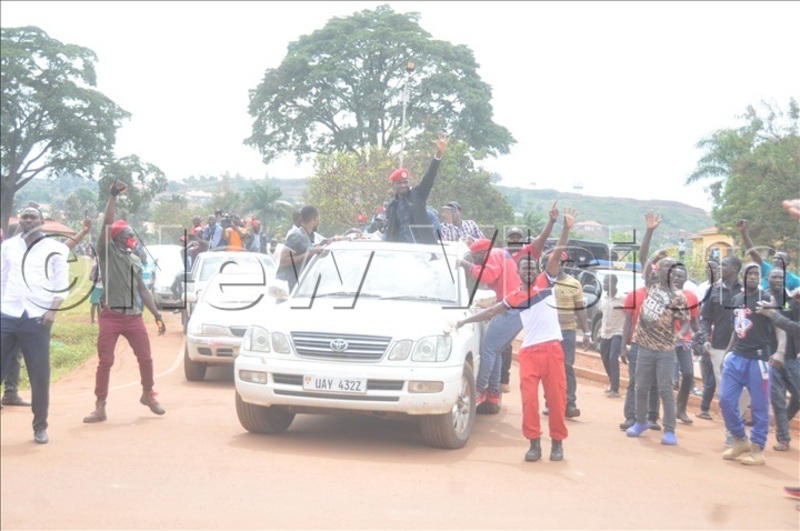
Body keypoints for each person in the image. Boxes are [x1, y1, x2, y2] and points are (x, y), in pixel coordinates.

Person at [456, 208, 577, 462]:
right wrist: (463, 320)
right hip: (530, 353)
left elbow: (554, 254)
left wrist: (565, 227)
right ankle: (534, 443)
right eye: (525, 268)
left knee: (556, 400)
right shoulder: (514, 297)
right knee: (529, 402)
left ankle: (557, 443)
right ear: (519, 273)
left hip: (553, 350)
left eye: (533, 266)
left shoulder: (546, 282)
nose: (530, 270)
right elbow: (490, 312)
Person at [83, 180, 167, 424]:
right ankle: (100, 406)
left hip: (134, 317)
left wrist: (157, 314)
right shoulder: (107, 253)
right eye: (130, 235)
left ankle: (148, 394)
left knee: (147, 359)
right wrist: (113, 196)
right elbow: (107, 224)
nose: (133, 239)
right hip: (111, 316)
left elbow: (143, 290)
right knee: (105, 361)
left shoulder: (135, 261)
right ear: (118, 238)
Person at [0, 206, 70, 443]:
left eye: (33, 217)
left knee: (39, 374)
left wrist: (52, 311)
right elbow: (2, 278)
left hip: (38, 318)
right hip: (8, 315)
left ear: (42, 222)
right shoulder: (8, 246)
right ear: (19, 220)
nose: (29, 220)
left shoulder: (56, 248)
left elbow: (62, 284)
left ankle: (40, 426)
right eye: (25, 217)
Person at [625, 255, 691, 446]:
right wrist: (650, 231)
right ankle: (640, 422)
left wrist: (682, 334)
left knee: (665, 389)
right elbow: (644, 255)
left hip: (665, 350)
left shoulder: (678, 297)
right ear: (658, 270)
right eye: (666, 267)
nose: (669, 271)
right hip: (644, 346)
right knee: (641, 387)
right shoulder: (651, 285)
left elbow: (685, 322)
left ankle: (669, 430)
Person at [456, 237, 522, 411]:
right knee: (497, 351)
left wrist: (466, 265)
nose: (475, 260)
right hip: (516, 306)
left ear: (483, 252)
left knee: (488, 349)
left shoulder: (492, 255)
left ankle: (480, 389)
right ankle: (493, 394)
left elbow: (487, 275)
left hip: (510, 307)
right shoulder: (500, 253)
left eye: (476, 257)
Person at [719, 262, 775, 465]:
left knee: (759, 406)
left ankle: (758, 449)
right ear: (743, 276)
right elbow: (737, 329)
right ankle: (740, 440)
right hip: (736, 357)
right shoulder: (736, 299)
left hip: (759, 359)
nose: (753, 277)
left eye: (756, 274)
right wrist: (727, 354)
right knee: (725, 399)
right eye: (749, 273)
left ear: (760, 277)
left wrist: (779, 352)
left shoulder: (766, 299)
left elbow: (778, 324)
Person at [756, 270, 799, 452]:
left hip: (791, 357)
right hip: (769, 358)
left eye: (780, 277)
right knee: (778, 400)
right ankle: (783, 437)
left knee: (798, 397)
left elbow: (796, 328)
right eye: (773, 277)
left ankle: (781, 423)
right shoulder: (762, 299)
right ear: (767, 279)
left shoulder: (792, 302)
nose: (777, 280)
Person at [697, 255, 743, 421]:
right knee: (724, 388)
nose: (719, 268)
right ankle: (732, 426)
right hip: (719, 347)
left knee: (741, 388)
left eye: (723, 265)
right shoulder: (713, 291)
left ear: (734, 270)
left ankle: (735, 420)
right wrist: (706, 338)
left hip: (742, 348)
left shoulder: (747, 291)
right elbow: (705, 319)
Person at [384, 132, 448, 244]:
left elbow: (429, 177)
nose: (403, 185)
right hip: (401, 250)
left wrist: (438, 154)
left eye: (405, 182)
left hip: (422, 249)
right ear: (393, 184)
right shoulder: (391, 206)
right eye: (399, 183)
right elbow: (391, 231)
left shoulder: (417, 195)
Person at [550, 252, 591, 418]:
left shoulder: (574, 284)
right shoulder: (544, 283)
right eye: (554, 261)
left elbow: (580, 309)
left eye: (560, 262)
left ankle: (570, 403)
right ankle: (551, 402)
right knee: (551, 369)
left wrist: (587, 332)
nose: (557, 264)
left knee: (567, 366)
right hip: (548, 333)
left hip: (568, 331)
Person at [275, 205, 329, 291]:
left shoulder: (307, 236)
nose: (318, 222)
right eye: (318, 219)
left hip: (299, 288)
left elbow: (305, 249)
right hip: (288, 290)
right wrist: (310, 254)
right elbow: (283, 261)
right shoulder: (297, 235)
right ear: (315, 219)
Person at [736, 219, 800, 291]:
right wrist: (743, 232)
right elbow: (753, 252)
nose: (776, 260)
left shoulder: (794, 280)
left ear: (787, 263)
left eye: (780, 259)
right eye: (775, 258)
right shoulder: (767, 269)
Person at [599, 274, 626, 398]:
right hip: (605, 332)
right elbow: (602, 314)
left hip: (618, 331)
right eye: (603, 282)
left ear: (614, 283)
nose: (604, 285)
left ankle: (615, 389)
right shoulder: (603, 297)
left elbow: (628, 317)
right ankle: (612, 382)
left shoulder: (622, 298)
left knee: (612, 358)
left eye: (606, 282)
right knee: (605, 358)